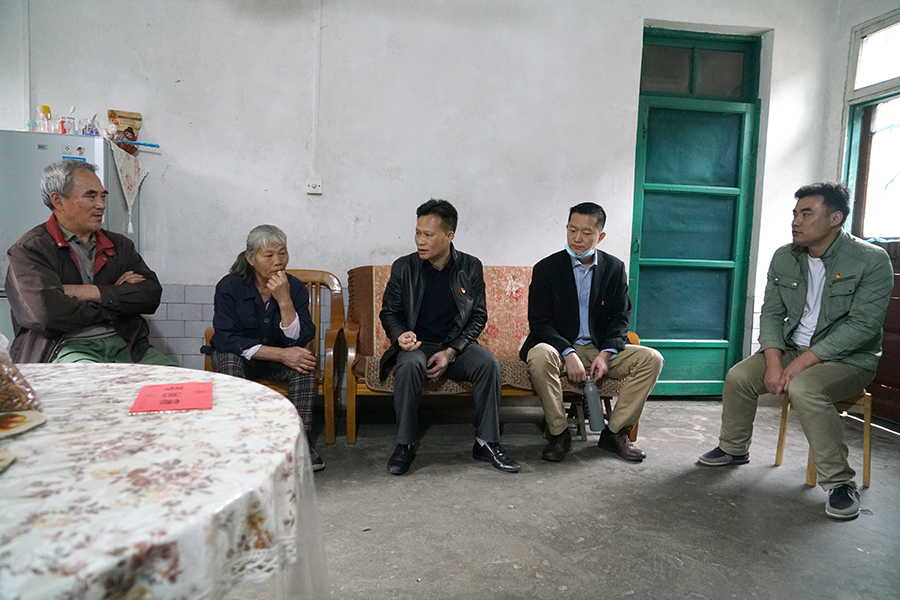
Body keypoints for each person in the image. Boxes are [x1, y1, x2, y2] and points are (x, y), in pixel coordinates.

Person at [698, 182, 893, 520]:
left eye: (806, 213)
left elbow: (863, 326)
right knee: (739, 377)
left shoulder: (871, 260)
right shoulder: (784, 257)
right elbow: (772, 314)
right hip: (793, 347)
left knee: (806, 387)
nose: (796, 221)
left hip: (849, 359)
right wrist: (774, 363)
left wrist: (803, 362)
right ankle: (734, 448)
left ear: (835, 218)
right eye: (795, 213)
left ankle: (839, 483)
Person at [379, 199, 520, 475]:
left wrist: (451, 352)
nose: (420, 241)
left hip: (455, 346)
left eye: (428, 235)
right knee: (408, 366)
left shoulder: (470, 266)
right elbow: (389, 312)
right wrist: (399, 336)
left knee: (489, 364)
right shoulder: (403, 267)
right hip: (417, 346)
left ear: (449, 236)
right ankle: (404, 445)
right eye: (417, 233)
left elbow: (478, 316)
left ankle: (487, 442)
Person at [520, 202, 664, 462]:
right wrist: (568, 352)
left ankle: (615, 432)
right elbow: (539, 322)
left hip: (599, 347)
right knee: (539, 354)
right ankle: (559, 434)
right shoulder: (546, 268)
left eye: (586, 233)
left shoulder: (614, 268)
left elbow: (621, 318)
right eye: (572, 230)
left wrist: (606, 354)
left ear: (601, 236)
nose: (577, 238)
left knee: (652, 359)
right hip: (558, 347)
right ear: (566, 228)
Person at [6, 160, 173, 366]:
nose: (101, 205)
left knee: (186, 382)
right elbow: (48, 315)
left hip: (126, 346)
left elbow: (150, 295)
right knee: (97, 384)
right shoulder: (29, 249)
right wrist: (116, 300)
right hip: (65, 348)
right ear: (58, 200)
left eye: (103, 196)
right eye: (90, 196)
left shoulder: (119, 244)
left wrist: (88, 292)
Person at [205, 225, 324, 471]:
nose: (278, 261)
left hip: (275, 363)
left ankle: (299, 442)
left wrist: (284, 299)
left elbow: (301, 338)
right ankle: (238, 441)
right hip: (241, 357)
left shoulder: (295, 288)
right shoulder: (229, 287)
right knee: (228, 360)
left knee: (304, 365)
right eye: (268, 255)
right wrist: (281, 354)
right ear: (251, 259)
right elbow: (226, 338)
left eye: (282, 253)